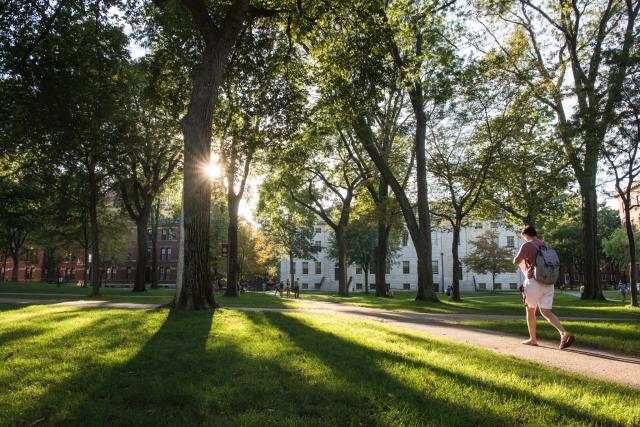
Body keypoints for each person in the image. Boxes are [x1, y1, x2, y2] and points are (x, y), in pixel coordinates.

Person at [513, 225, 574, 350]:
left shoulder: (527, 245)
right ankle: (563, 333)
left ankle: (533, 339)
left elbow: (516, 261)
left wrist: (517, 259)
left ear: (525, 235)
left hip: (534, 282)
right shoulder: (546, 245)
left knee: (530, 310)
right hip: (549, 282)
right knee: (546, 311)